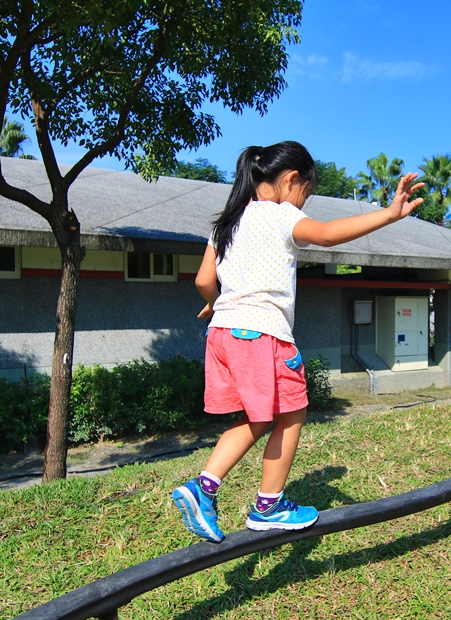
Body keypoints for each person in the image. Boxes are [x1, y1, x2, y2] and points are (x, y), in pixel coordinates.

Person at [173, 141, 424, 542]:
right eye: (306, 193)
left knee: (257, 418)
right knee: (292, 411)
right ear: (292, 180)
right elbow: (325, 236)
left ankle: (209, 490)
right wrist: (390, 214)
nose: (303, 204)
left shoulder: (226, 223)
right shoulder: (280, 215)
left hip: (223, 332)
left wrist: (214, 304)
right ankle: (260, 503)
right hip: (262, 332)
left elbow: (205, 281)